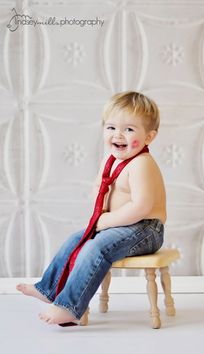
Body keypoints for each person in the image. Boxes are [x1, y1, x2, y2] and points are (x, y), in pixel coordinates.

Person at [16, 91, 167, 325]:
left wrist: (105, 221)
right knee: (76, 239)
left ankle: (70, 306)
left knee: (96, 247)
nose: (118, 134)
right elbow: (101, 188)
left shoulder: (142, 165)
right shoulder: (110, 160)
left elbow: (141, 206)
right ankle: (49, 288)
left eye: (129, 129)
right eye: (111, 127)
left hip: (146, 229)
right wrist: (99, 194)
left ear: (149, 137)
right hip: (117, 225)